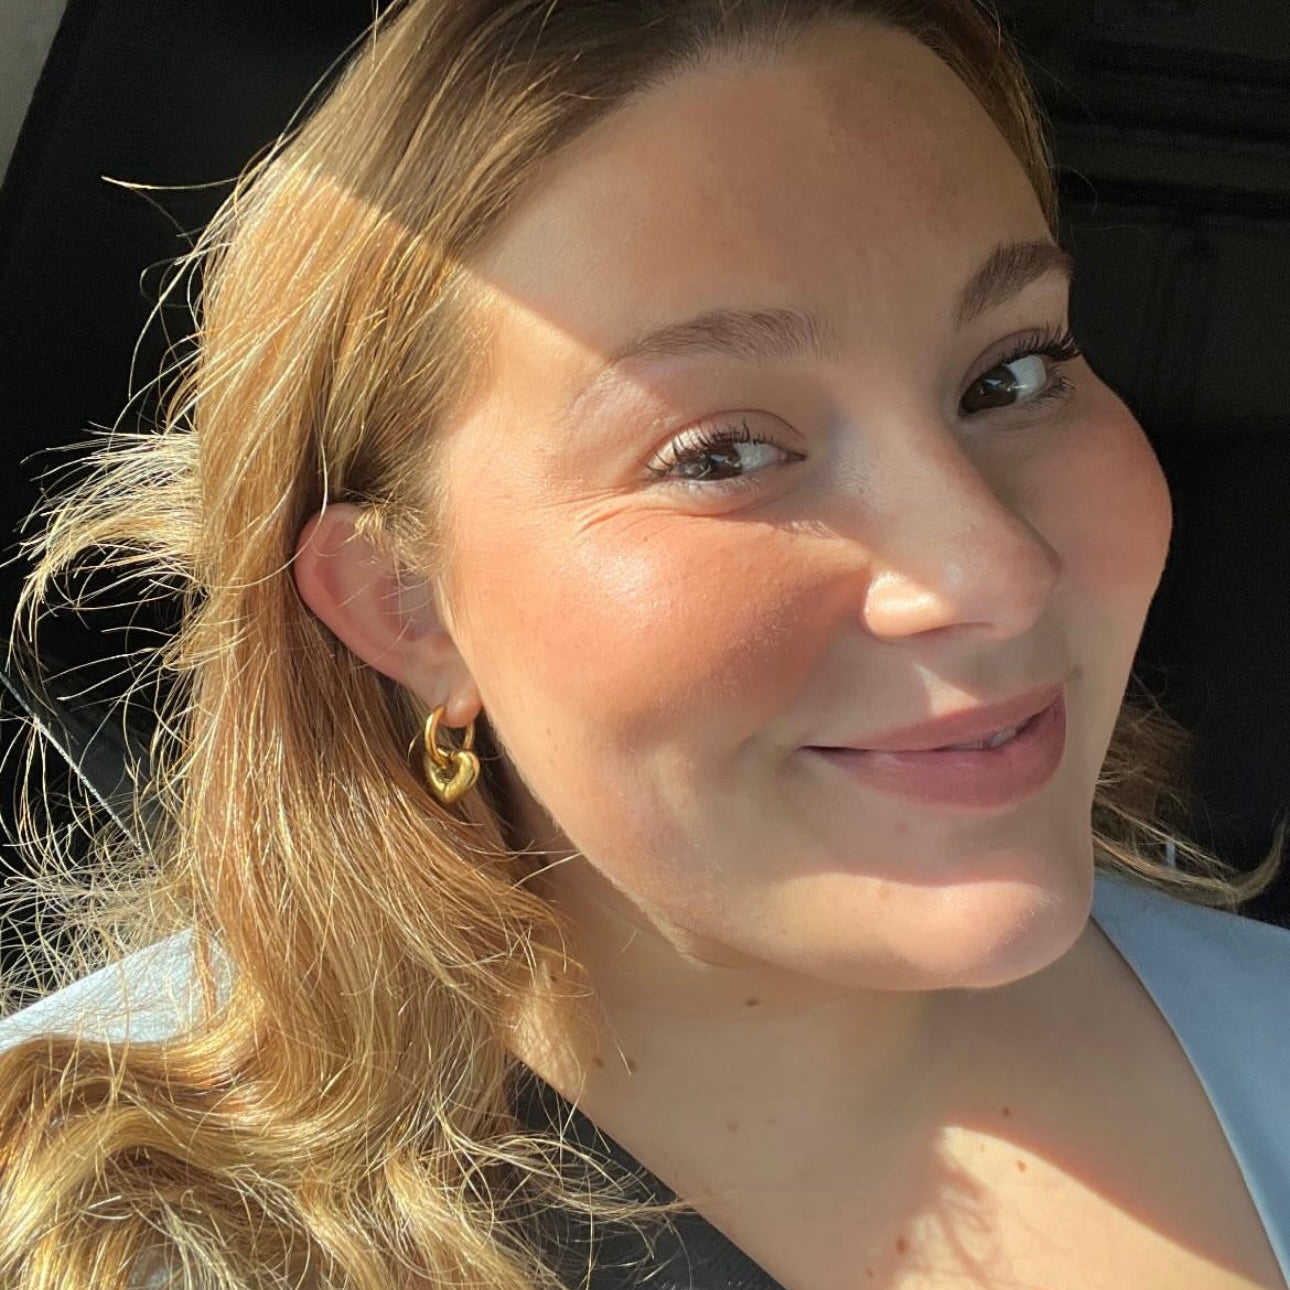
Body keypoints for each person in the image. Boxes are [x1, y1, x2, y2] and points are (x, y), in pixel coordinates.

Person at [0, 1, 1286, 1287]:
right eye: (721, 452)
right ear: (408, 608)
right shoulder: (96, 1228)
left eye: (1010, 372)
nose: (995, 573)